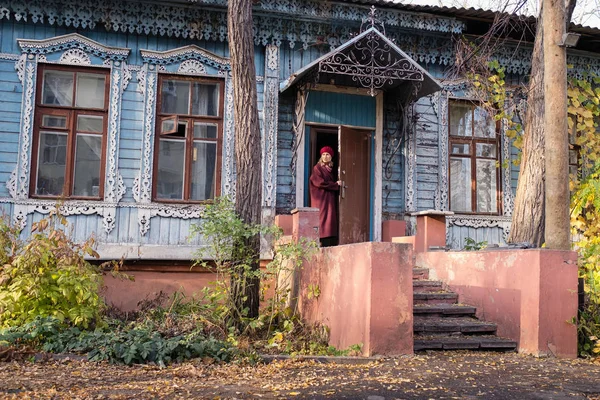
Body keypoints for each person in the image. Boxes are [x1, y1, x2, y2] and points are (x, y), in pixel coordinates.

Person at [309, 146, 342, 247]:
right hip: (321, 200)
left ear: (331, 156)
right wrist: (335, 185)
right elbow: (319, 183)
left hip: (328, 199)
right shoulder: (317, 168)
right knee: (323, 219)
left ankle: (329, 241)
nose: (325, 156)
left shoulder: (329, 169)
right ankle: (322, 241)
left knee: (330, 219)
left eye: (327, 154)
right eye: (323, 154)